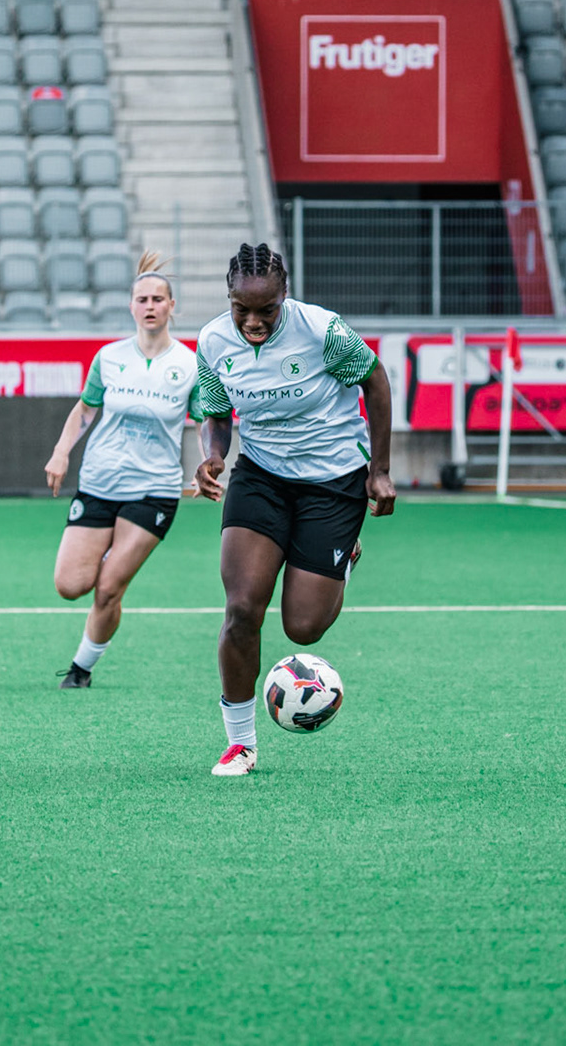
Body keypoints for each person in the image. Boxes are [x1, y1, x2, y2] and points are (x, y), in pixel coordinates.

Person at [191, 243, 396, 777]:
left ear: (286, 296)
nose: (254, 321)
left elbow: (376, 382)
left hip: (333, 481)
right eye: (242, 309)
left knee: (303, 627)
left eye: (267, 309)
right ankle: (240, 743)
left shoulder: (324, 330)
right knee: (241, 609)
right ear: (229, 298)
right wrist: (213, 454)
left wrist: (379, 468)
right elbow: (215, 410)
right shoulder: (212, 341)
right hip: (260, 476)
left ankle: (342, 555)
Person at [44, 253, 204, 689]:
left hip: (154, 489)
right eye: (141, 299)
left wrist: (209, 464)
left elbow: (206, 420)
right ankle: (105, 596)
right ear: (131, 306)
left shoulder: (190, 365)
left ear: (172, 306)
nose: (149, 306)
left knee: (109, 586)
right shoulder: (109, 357)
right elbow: (85, 410)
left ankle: (81, 668)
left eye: (158, 299)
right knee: (70, 585)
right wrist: (61, 452)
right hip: (98, 482)